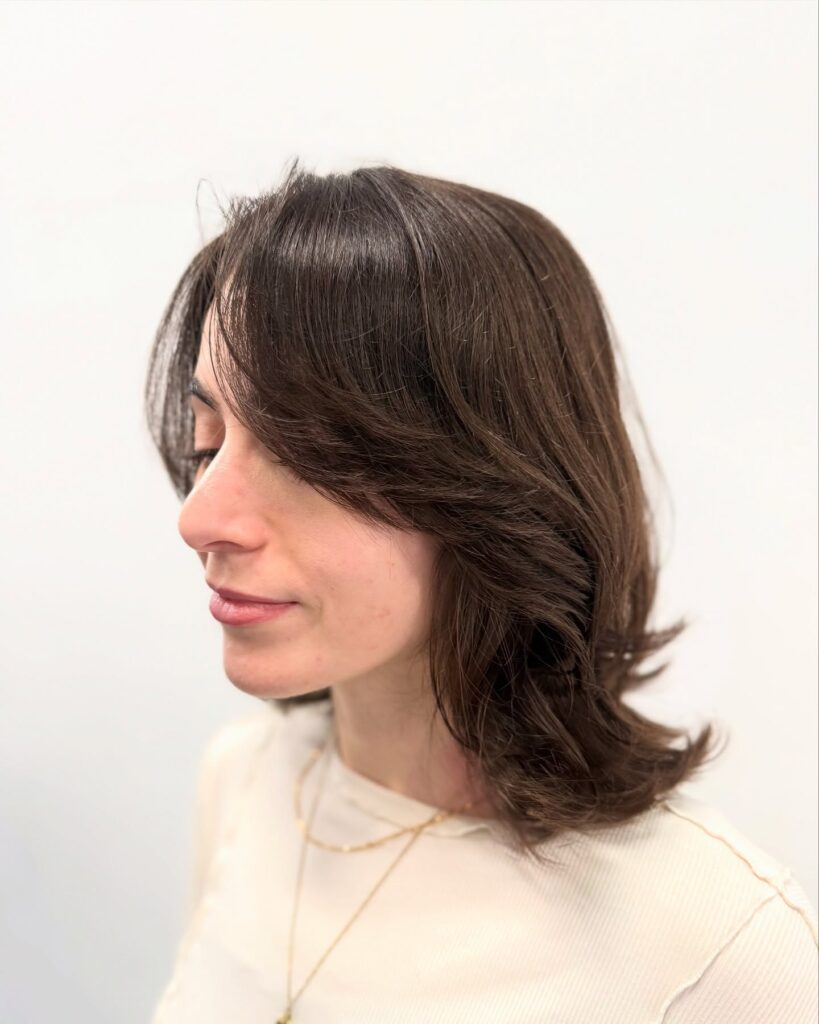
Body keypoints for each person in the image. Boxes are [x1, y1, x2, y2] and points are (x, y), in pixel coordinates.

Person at [145, 159, 818, 1023]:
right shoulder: (243, 782)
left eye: (300, 449)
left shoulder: (717, 945)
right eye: (210, 439)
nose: (200, 518)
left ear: (490, 484)